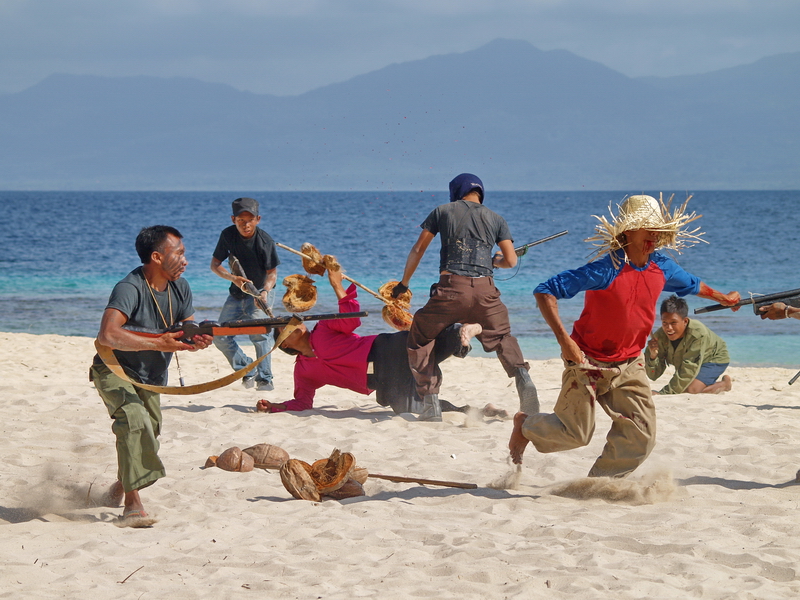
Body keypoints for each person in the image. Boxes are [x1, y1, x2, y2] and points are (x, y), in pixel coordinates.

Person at [510, 194, 740, 477]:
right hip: (588, 361)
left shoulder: (662, 267)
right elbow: (545, 291)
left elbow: (693, 284)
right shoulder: (606, 268)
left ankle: (599, 485)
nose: (655, 235)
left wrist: (725, 298)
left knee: (642, 436)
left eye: (659, 230)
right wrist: (565, 341)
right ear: (628, 231)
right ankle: (525, 425)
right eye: (648, 228)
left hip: (630, 364)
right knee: (576, 434)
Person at [90, 225, 213, 525]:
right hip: (115, 369)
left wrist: (196, 342)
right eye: (179, 253)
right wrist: (160, 341)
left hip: (152, 377)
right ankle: (132, 503)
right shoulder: (129, 287)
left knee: (150, 434)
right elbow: (107, 334)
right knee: (133, 421)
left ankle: (121, 485)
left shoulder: (180, 288)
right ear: (157, 257)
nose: (186, 260)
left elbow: (187, 329)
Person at [390, 173, 538, 422]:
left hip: (451, 291)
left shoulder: (443, 211)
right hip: (486, 292)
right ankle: (523, 377)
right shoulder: (496, 218)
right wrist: (495, 262)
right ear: (480, 192)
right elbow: (511, 261)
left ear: (457, 191)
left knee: (421, 336)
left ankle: (430, 403)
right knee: (502, 337)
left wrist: (403, 284)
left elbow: (418, 249)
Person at [256, 267, 498, 416]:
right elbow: (302, 402)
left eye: (291, 320)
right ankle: (474, 412)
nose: (293, 322)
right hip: (380, 380)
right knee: (411, 407)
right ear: (284, 344)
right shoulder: (304, 371)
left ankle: (462, 330)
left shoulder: (323, 328)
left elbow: (351, 317)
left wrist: (337, 284)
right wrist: (276, 407)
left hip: (385, 350)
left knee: (429, 348)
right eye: (285, 327)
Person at [210, 197, 280, 391]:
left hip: (260, 293)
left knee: (260, 336)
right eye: (241, 220)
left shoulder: (265, 241)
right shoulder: (227, 235)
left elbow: (272, 274)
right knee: (220, 335)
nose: (245, 224)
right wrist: (233, 278)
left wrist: (264, 292)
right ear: (233, 219)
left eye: (250, 220)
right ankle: (247, 369)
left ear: (258, 219)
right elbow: (215, 265)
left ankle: (265, 379)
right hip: (237, 292)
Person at [645, 294, 732, 394]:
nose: (668, 328)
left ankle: (724, 385)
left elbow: (687, 370)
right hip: (691, 361)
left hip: (713, 358)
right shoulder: (659, 336)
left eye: (673, 322)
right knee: (685, 387)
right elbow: (653, 375)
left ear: (685, 321)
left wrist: (663, 393)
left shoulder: (697, 333)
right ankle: (706, 382)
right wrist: (653, 356)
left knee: (691, 390)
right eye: (664, 322)